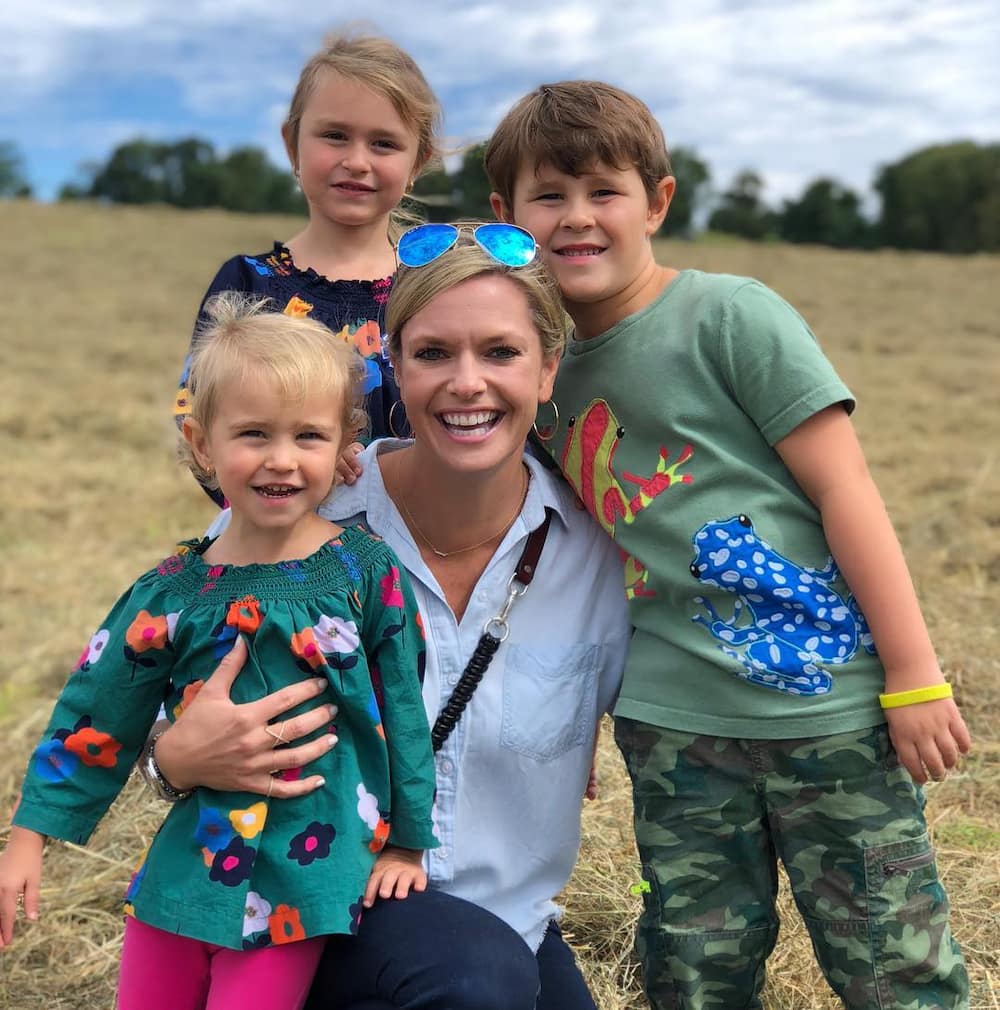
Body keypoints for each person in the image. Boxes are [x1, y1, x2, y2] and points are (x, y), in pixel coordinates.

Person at [483, 81, 973, 1010]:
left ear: (657, 202)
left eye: (604, 192)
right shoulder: (531, 368)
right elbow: (568, 555)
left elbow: (846, 490)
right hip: (671, 725)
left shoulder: (730, 315)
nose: (577, 218)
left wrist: (913, 676)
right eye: (549, 196)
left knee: (893, 962)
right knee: (693, 968)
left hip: (829, 716)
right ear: (507, 216)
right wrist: (576, 708)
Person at [146, 223, 630, 1010]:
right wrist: (171, 760)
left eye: (501, 353)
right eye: (433, 353)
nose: (466, 383)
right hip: (306, 925)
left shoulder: (597, 555)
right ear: (392, 368)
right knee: (471, 980)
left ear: (548, 370)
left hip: (509, 928)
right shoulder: (295, 516)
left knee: (488, 971)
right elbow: (139, 702)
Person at [0, 295, 437, 1010]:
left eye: (308, 437)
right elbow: (97, 706)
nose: (281, 460)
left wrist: (408, 844)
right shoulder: (171, 590)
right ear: (203, 445)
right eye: (253, 434)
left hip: (308, 872)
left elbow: (406, 715)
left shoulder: (365, 573)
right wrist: (28, 837)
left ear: (344, 447)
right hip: (186, 872)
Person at [175, 30, 442, 504]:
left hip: (424, 540)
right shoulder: (247, 286)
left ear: (416, 162)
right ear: (292, 145)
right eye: (335, 135)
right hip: (285, 548)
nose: (357, 161)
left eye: (383, 143)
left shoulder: (437, 285)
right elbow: (199, 416)